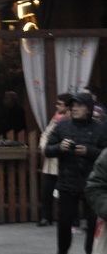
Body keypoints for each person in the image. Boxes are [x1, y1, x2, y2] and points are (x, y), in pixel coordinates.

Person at [44, 92, 107, 254]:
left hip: (92, 183)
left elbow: (105, 153)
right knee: (64, 221)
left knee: (92, 221)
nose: (75, 109)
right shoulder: (63, 126)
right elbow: (47, 150)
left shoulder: (100, 128)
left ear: (88, 109)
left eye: (79, 106)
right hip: (67, 180)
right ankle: (62, 251)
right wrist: (60, 147)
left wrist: (88, 151)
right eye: (73, 106)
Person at [37, 94, 72, 227]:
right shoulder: (56, 117)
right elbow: (46, 133)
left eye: (60, 104)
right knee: (46, 190)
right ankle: (46, 216)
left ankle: (67, 218)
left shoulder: (70, 119)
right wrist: (44, 146)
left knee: (64, 193)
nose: (57, 106)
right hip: (50, 160)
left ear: (67, 106)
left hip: (62, 161)